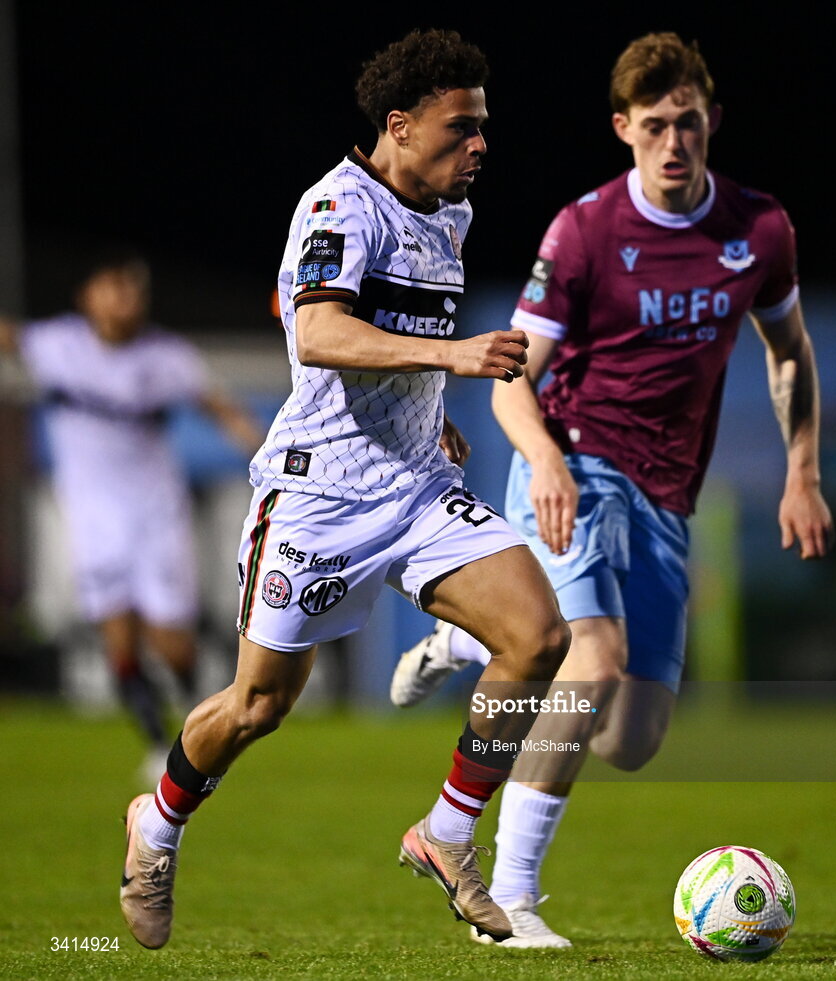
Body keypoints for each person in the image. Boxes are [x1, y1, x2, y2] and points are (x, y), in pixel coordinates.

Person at [118, 29, 570, 950]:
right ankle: (156, 823)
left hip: (413, 489)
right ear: (398, 126)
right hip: (318, 498)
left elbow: (391, 325)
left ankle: (447, 834)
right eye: (460, 128)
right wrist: (449, 358)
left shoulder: (451, 214)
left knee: (539, 635)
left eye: (483, 127)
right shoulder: (336, 207)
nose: (480, 146)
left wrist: (424, 397)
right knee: (258, 706)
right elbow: (320, 333)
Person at [389, 31, 834, 948]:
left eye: (692, 124)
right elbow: (512, 372)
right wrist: (545, 458)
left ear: (712, 123)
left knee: (630, 737)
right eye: (658, 125)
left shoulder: (758, 230)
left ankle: (472, 647)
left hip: (670, 495)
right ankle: (507, 901)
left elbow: (788, 351)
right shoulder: (587, 230)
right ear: (624, 128)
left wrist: (803, 471)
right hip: (578, 465)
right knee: (590, 658)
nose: (677, 142)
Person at [0, 252, 262, 781]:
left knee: (172, 641)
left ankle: (201, 722)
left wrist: (266, 456)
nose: (125, 299)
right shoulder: (58, 345)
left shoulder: (166, 356)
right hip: (94, 516)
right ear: (87, 296)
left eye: (133, 289)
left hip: (156, 514)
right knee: (117, 633)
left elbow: (222, 409)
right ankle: (155, 738)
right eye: (113, 287)